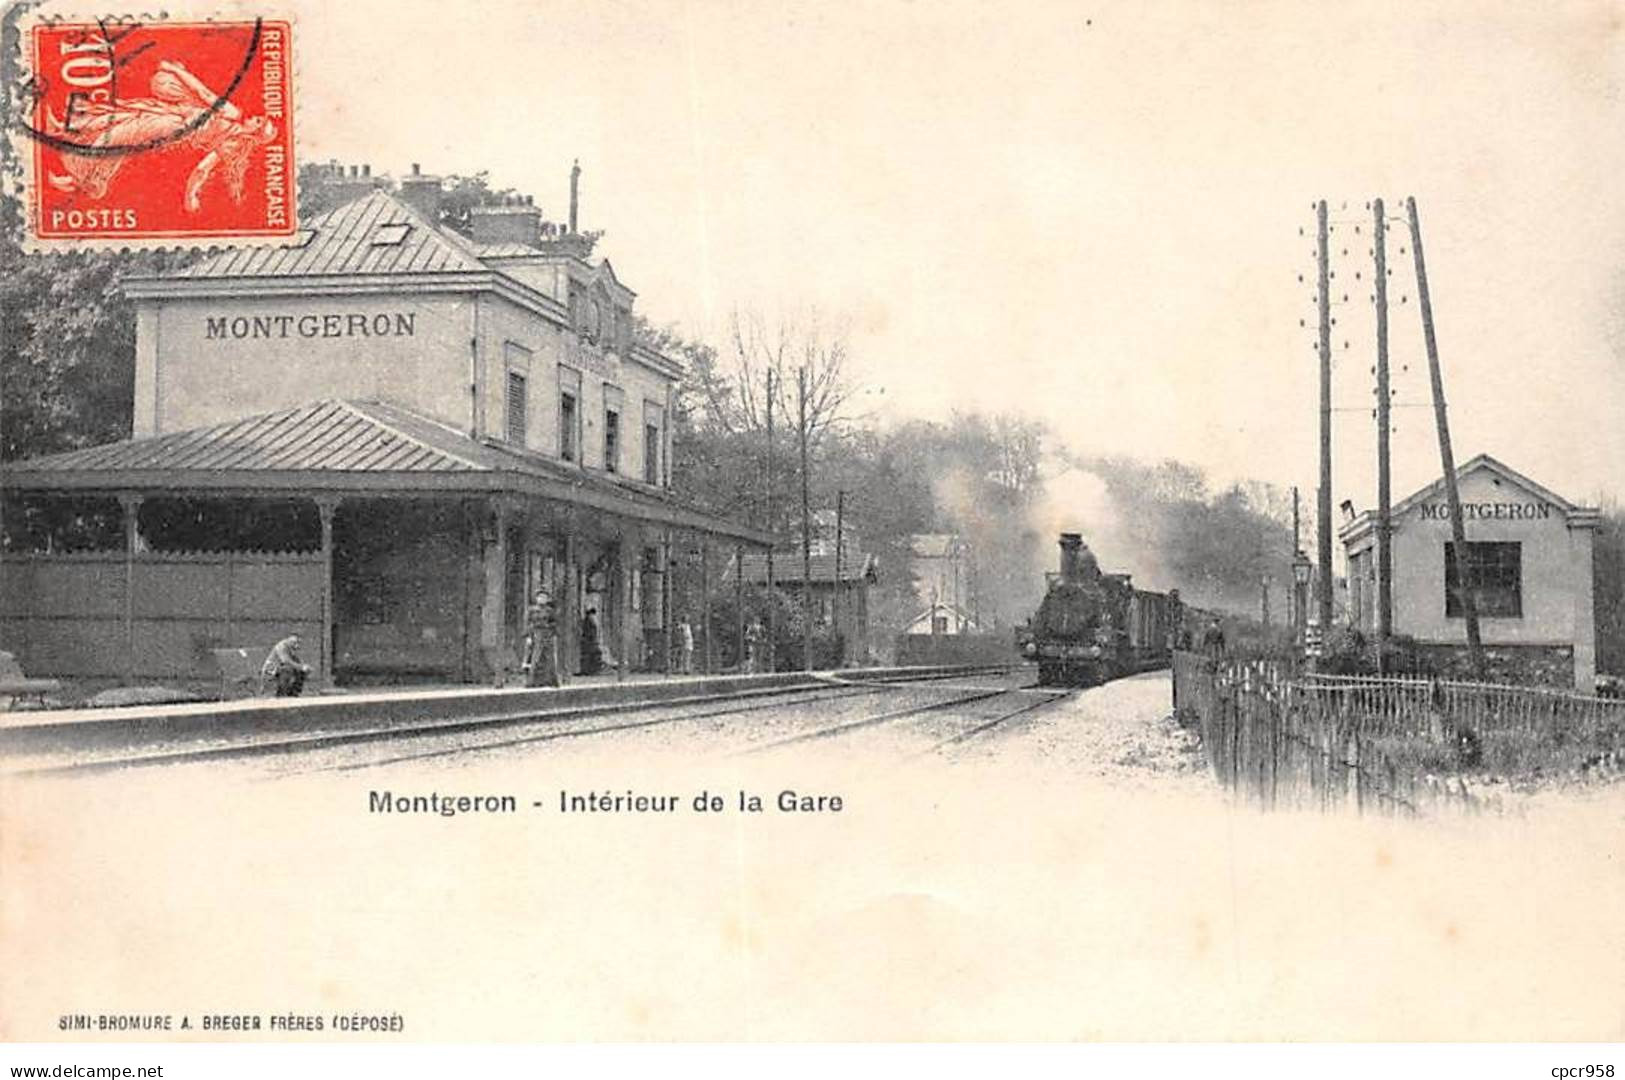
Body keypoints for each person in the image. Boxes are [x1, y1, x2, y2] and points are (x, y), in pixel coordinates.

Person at [522, 589, 562, 688]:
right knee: (535, 657)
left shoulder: (550, 611)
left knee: (549, 658)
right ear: (536, 598)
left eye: (544, 597)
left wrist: (553, 632)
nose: (542, 599)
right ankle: (532, 681)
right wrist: (528, 636)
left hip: (547, 634)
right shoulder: (532, 610)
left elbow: (555, 622)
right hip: (536, 634)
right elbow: (528, 623)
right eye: (540, 597)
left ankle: (550, 681)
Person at [579, 607, 603, 676]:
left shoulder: (589, 619)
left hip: (590, 641)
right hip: (592, 640)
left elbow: (591, 630)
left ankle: (587, 670)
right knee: (592, 655)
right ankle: (592, 670)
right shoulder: (594, 619)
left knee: (588, 655)